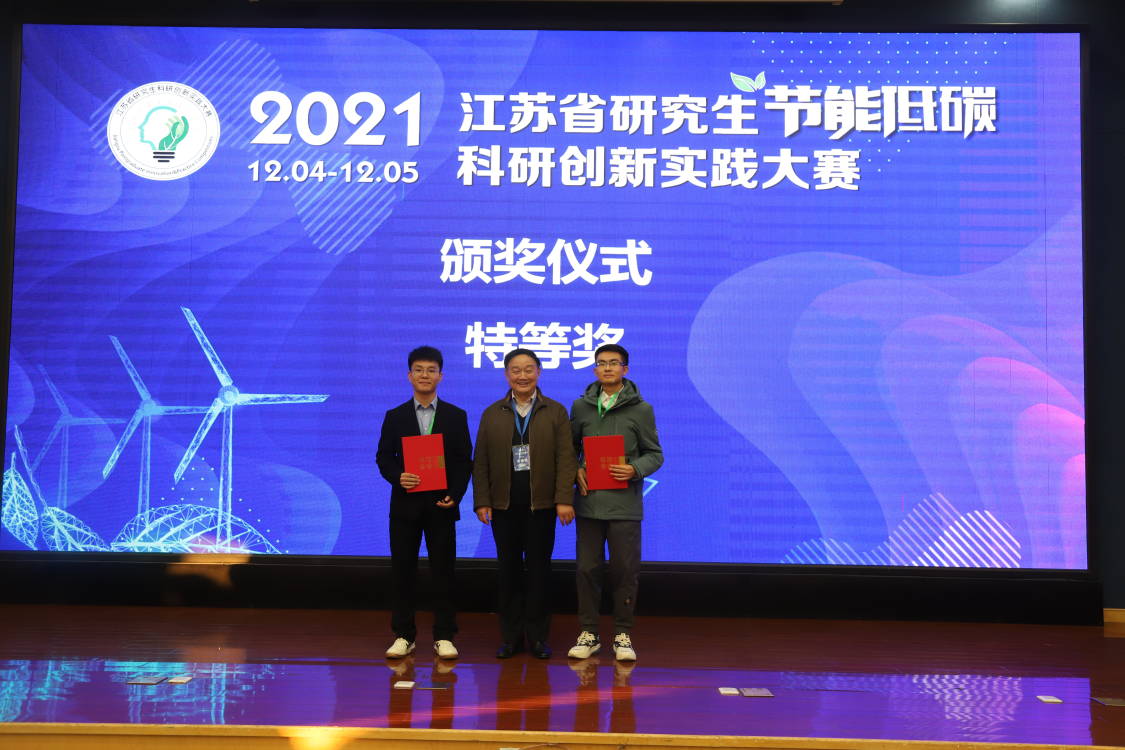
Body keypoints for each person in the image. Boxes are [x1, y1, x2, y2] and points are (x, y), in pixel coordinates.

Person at [474, 348, 578, 659]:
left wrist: (563, 499)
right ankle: (510, 638)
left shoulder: (555, 411)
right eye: (516, 370)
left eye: (529, 369)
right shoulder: (492, 413)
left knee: (538, 573)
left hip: (541, 507)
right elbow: (480, 462)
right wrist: (482, 501)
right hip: (503, 507)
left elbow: (567, 459)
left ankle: (537, 638)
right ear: (507, 374)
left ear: (538, 372)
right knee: (507, 572)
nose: (522, 375)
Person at [376, 346, 473, 660]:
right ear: (409, 375)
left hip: (441, 506)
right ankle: (404, 635)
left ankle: (444, 635)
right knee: (402, 572)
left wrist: (455, 495)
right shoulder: (395, 416)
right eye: (419, 370)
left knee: (443, 572)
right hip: (405, 507)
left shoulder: (456, 416)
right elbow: (383, 458)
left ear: (440, 376)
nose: (425, 375)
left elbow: (464, 461)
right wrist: (398, 476)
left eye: (431, 370)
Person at [567, 344, 663, 662]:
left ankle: (622, 634)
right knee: (587, 569)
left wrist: (635, 469)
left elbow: (655, 454)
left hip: (625, 505)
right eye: (601, 363)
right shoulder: (581, 407)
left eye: (614, 363)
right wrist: (576, 470)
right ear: (595, 369)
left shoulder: (642, 409)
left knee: (624, 570)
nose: (607, 368)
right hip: (589, 503)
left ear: (625, 369)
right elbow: (569, 450)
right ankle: (589, 633)